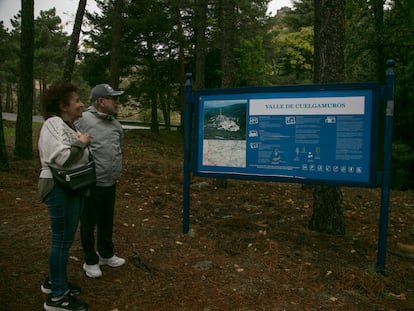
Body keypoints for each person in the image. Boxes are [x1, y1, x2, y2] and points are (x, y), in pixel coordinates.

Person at [38, 83, 89, 311]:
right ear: (62, 105)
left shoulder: (68, 125)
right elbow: (61, 157)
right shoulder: (53, 123)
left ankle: (54, 281)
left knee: (65, 240)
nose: (81, 104)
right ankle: (58, 298)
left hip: (72, 187)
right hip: (59, 187)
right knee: (61, 240)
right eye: (77, 100)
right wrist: (82, 143)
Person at [75, 84, 126, 278]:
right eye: (114, 99)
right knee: (88, 222)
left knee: (107, 220)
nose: (117, 103)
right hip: (90, 183)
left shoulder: (114, 123)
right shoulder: (83, 120)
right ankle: (90, 260)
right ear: (101, 101)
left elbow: (119, 146)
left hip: (110, 181)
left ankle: (106, 254)